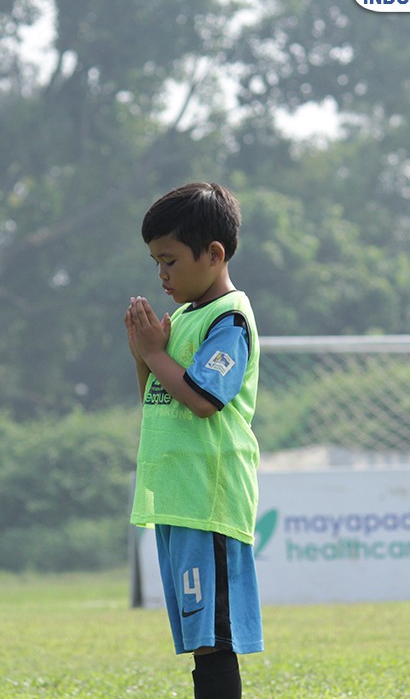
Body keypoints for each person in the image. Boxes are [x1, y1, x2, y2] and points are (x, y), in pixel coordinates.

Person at [124, 182, 264, 699]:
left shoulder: (229, 319)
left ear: (214, 254)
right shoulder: (183, 317)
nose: (161, 274)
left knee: (214, 639)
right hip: (181, 500)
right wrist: (145, 356)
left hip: (211, 499)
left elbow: (204, 399)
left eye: (170, 261)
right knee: (197, 636)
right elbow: (159, 398)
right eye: (155, 262)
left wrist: (155, 354)